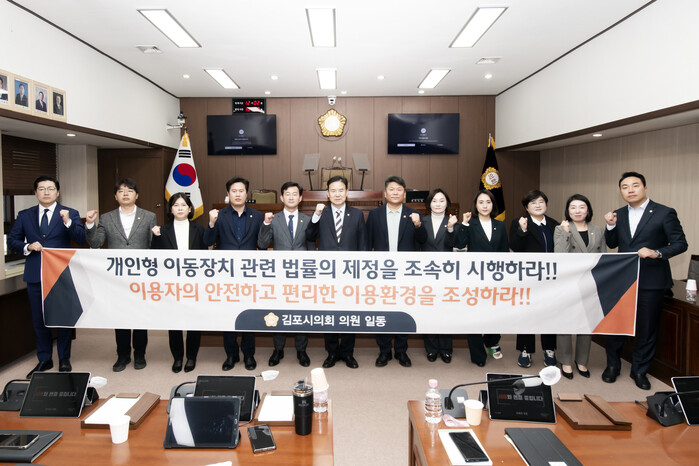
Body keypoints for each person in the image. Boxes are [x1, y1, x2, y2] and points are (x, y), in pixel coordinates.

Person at [603, 172, 687, 390]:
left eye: (635, 185)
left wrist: (656, 252)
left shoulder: (664, 212)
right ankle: (612, 366)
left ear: (645, 188)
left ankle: (640, 370)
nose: (630, 190)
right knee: (616, 325)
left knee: (647, 328)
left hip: (652, 280)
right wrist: (610, 226)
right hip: (622, 279)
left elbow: (680, 243)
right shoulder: (619, 214)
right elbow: (612, 244)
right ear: (621, 191)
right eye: (625, 187)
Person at [8, 176, 86, 378]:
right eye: (41, 189)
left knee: (63, 318)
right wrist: (27, 246)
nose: (46, 192)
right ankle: (44, 359)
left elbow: (80, 238)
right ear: (35, 192)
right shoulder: (25, 215)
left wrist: (68, 222)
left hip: (61, 273)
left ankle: (64, 358)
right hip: (35, 273)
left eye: (50, 188)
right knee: (39, 319)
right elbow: (13, 241)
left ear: (57, 192)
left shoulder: (69, 213)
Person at [85, 178, 157, 372]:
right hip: (116, 277)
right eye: (121, 191)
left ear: (137, 195)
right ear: (115, 196)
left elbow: (154, 246)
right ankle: (122, 355)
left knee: (140, 317)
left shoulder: (149, 216)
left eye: (130, 190)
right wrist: (90, 224)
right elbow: (96, 243)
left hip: (140, 276)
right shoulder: (106, 218)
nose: (126, 194)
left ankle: (140, 354)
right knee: (120, 317)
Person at [306, 175, 367, 369]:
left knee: (349, 313)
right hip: (327, 273)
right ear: (327, 193)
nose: (337, 194)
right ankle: (332, 352)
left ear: (347, 192)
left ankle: (348, 353)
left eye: (341, 190)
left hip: (351, 273)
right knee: (329, 313)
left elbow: (363, 244)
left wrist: (362, 271)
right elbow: (310, 235)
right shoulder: (321, 213)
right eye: (333, 190)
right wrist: (315, 215)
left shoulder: (357, 214)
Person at [204, 176, 263, 371]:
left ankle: (249, 355)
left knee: (248, 315)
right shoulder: (219, 215)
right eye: (234, 191)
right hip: (226, 274)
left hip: (249, 274)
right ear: (228, 194)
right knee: (228, 316)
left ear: (247, 194)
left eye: (241, 191)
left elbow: (262, 244)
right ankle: (231, 355)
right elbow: (208, 241)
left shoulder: (257, 216)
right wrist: (211, 223)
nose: (237, 194)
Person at [366, 176, 426, 368]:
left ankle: (401, 351)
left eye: (399, 189)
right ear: (385, 193)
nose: (395, 192)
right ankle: (384, 351)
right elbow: (367, 243)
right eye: (391, 189)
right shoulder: (375, 214)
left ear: (404, 194)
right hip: (381, 272)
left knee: (402, 310)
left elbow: (423, 241)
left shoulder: (414, 214)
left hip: (405, 273)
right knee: (382, 310)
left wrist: (418, 225)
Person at [257, 181, 315, 367]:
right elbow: (262, 244)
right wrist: (266, 224)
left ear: (300, 198)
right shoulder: (273, 219)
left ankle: (301, 350)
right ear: (281, 197)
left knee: (301, 311)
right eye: (287, 194)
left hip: (302, 274)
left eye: (295, 194)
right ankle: (278, 349)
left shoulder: (307, 220)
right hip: (280, 275)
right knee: (279, 310)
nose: (291, 197)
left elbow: (311, 247)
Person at [151, 193, 207, 373]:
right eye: (176, 205)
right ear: (171, 209)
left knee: (194, 322)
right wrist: (156, 237)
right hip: (171, 284)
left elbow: (205, 256)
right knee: (174, 322)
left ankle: (191, 357)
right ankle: (177, 357)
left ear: (190, 209)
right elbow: (155, 257)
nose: (180, 208)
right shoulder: (162, 230)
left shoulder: (199, 229)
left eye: (184, 205)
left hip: (194, 283)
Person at [553, 194, 606, 379]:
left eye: (581, 207)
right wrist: (566, 233)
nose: (577, 211)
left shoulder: (598, 230)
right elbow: (559, 255)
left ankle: (582, 361)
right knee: (565, 323)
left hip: (590, 283)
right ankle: (565, 361)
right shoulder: (561, 228)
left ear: (588, 210)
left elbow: (603, 257)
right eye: (573, 207)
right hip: (568, 283)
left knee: (586, 323)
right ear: (568, 211)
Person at [455, 189, 509, 366]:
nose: (485, 206)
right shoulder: (471, 224)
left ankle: (491, 341)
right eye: (481, 202)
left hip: (495, 278)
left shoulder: (500, 225)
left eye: (488, 202)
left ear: (493, 205)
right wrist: (464, 224)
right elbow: (460, 244)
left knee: (495, 313)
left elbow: (504, 251)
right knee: (475, 316)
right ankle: (478, 354)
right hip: (475, 277)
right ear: (475, 205)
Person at [509, 189, 559, 368]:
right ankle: (525, 349)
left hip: (550, 278)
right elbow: (514, 246)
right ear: (526, 207)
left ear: (546, 204)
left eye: (541, 202)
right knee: (527, 313)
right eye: (533, 203)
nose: (537, 206)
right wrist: (522, 230)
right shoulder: (519, 222)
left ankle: (549, 349)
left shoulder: (554, 224)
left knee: (549, 313)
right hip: (528, 278)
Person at [416, 188, 458, 363]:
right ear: (429, 203)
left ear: (447, 203)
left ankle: (446, 349)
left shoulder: (453, 221)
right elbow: (419, 242)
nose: (438, 204)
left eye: (442, 200)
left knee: (445, 311)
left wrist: (451, 228)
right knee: (429, 311)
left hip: (446, 274)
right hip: (426, 273)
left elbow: (452, 244)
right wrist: (417, 226)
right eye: (434, 201)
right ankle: (431, 349)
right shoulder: (421, 221)